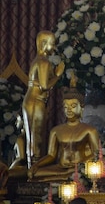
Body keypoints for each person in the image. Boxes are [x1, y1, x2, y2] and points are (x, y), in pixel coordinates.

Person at [28, 77, 100, 181]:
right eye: (66, 107)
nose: (69, 110)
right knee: (35, 174)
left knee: (79, 174)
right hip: (60, 168)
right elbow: (51, 155)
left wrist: (81, 165)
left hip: (79, 168)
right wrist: (36, 165)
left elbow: (96, 154)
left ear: (82, 107)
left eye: (73, 106)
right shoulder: (56, 131)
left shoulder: (89, 130)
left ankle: (69, 176)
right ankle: (66, 177)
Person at [22, 30, 65, 167]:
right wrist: (58, 75)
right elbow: (44, 86)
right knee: (36, 138)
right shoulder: (43, 61)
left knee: (34, 137)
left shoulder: (39, 60)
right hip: (36, 101)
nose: (54, 47)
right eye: (52, 44)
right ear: (43, 44)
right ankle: (33, 169)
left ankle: (32, 167)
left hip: (32, 100)